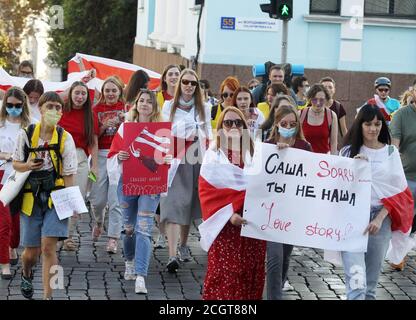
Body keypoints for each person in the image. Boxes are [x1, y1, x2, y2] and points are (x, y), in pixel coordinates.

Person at [339, 103, 413, 300]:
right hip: (353, 220)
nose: (373, 129)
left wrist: (380, 219)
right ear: (360, 125)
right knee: (356, 283)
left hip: (380, 221)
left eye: (377, 124)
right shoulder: (347, 152)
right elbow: (338, 188)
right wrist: (355, 167)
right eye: (368, 124)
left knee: (370, 286)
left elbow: (398, 192)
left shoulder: (390, 153)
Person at [12, 91, 77, 300]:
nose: (54, 111)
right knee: (30, 254)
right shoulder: (26, 133)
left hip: (56, 197)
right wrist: (28, 165)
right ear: (40, 108)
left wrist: (70, 204)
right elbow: (15, 164)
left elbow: (69, 174)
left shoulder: (65, 138)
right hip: (31, 197)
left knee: (49, 247)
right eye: (50, 106)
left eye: (58, 108)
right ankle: (26, 271)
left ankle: (48, 297)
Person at [200, 106, 266, 300]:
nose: (233, 126)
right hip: (225, 229)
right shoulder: (212, 157)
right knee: (224, 276)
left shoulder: (257, 155)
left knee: (249, 277)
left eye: (238, 122)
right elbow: (208, 193)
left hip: (253, 229)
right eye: (228, 123)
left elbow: (269, 183)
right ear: (220, 127)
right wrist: (229, 215)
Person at [109, 89, 171, 294]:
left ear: (154, 107)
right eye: (141, 100)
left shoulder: (162, 131)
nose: (144, 104)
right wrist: (120, 157)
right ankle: (129, 261)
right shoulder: (125, 129)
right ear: (136, 105)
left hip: (150, 186)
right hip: (127, 183)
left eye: (148, 101)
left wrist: (168, 161)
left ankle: (141, 275)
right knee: (129, 228)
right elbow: (112, 155)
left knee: (144, 229)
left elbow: (168, 157)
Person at [161, 69, 212, 273]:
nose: (189, 86)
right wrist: (184, 128)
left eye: (193, 82)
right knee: (173, 202)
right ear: (179, 84)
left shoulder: (204, 108)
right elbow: (165, 130)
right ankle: (172, 254)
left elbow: (207, 132)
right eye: (185, 82)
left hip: (196, 156)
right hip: (175, 157)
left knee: (189, 202)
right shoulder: (168, 106)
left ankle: (183, 245)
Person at [265, 103, 312, 300]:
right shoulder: (267, 146)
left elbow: (310, 176)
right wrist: (276, 154)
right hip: (270, 212)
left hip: (293, 212)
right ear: (276, 124)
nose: (288, 126)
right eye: (284, 123)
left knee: (284, 257)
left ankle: (279, 284)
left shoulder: (304, 147)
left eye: (292, 123)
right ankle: (274, 296)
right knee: (274, 257)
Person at [59, 81, 99, 251]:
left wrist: (95, 166)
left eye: (83, 93)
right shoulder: (60, 110)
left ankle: (68, 236)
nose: (80, 97)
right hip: (59, 158)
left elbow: (94, 141)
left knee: (76, 198)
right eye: (77, 93)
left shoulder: (90, 115)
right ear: (70, 93)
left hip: (80, 159)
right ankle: (55, 235)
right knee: (58, 197)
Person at [90, 77, 125, 253]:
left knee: (115, 200)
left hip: (119, 156)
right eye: (107, 90)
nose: (110, 93)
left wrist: (123, 122)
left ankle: (113, 238)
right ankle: (98, 221)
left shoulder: (126, 109)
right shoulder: (96, 109)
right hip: (102, 155)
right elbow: (93, 136)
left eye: (114, 90)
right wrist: (104, 126)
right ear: (103, 92)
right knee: (97, 200)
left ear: (119, 91)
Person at [0, 87, 32, 279]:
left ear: (23, 105)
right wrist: (6, 155)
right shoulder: (0, 124)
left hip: (23, 177)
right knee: (3, 222)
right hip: (2, 175)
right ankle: (4, 263)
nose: (13, 108)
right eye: (9, 105)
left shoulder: (31, 125)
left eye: (17, 105)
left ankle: (12, 247)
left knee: (16, 222)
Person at [389, 79, 416, 270]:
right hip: (408, 177)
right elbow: (394, 147)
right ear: (413, 91)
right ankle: (398, 254)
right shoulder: (401, 115)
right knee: (406, 219)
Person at [300, 84, 338, 155]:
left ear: (326, 100)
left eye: (321, 100)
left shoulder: (331, 116)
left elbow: (333, 143)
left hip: (323, 161)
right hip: (304, 158)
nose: (318, 103)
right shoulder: (301, 114)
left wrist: (333, 161)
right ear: (310, 99)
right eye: (314, 100)